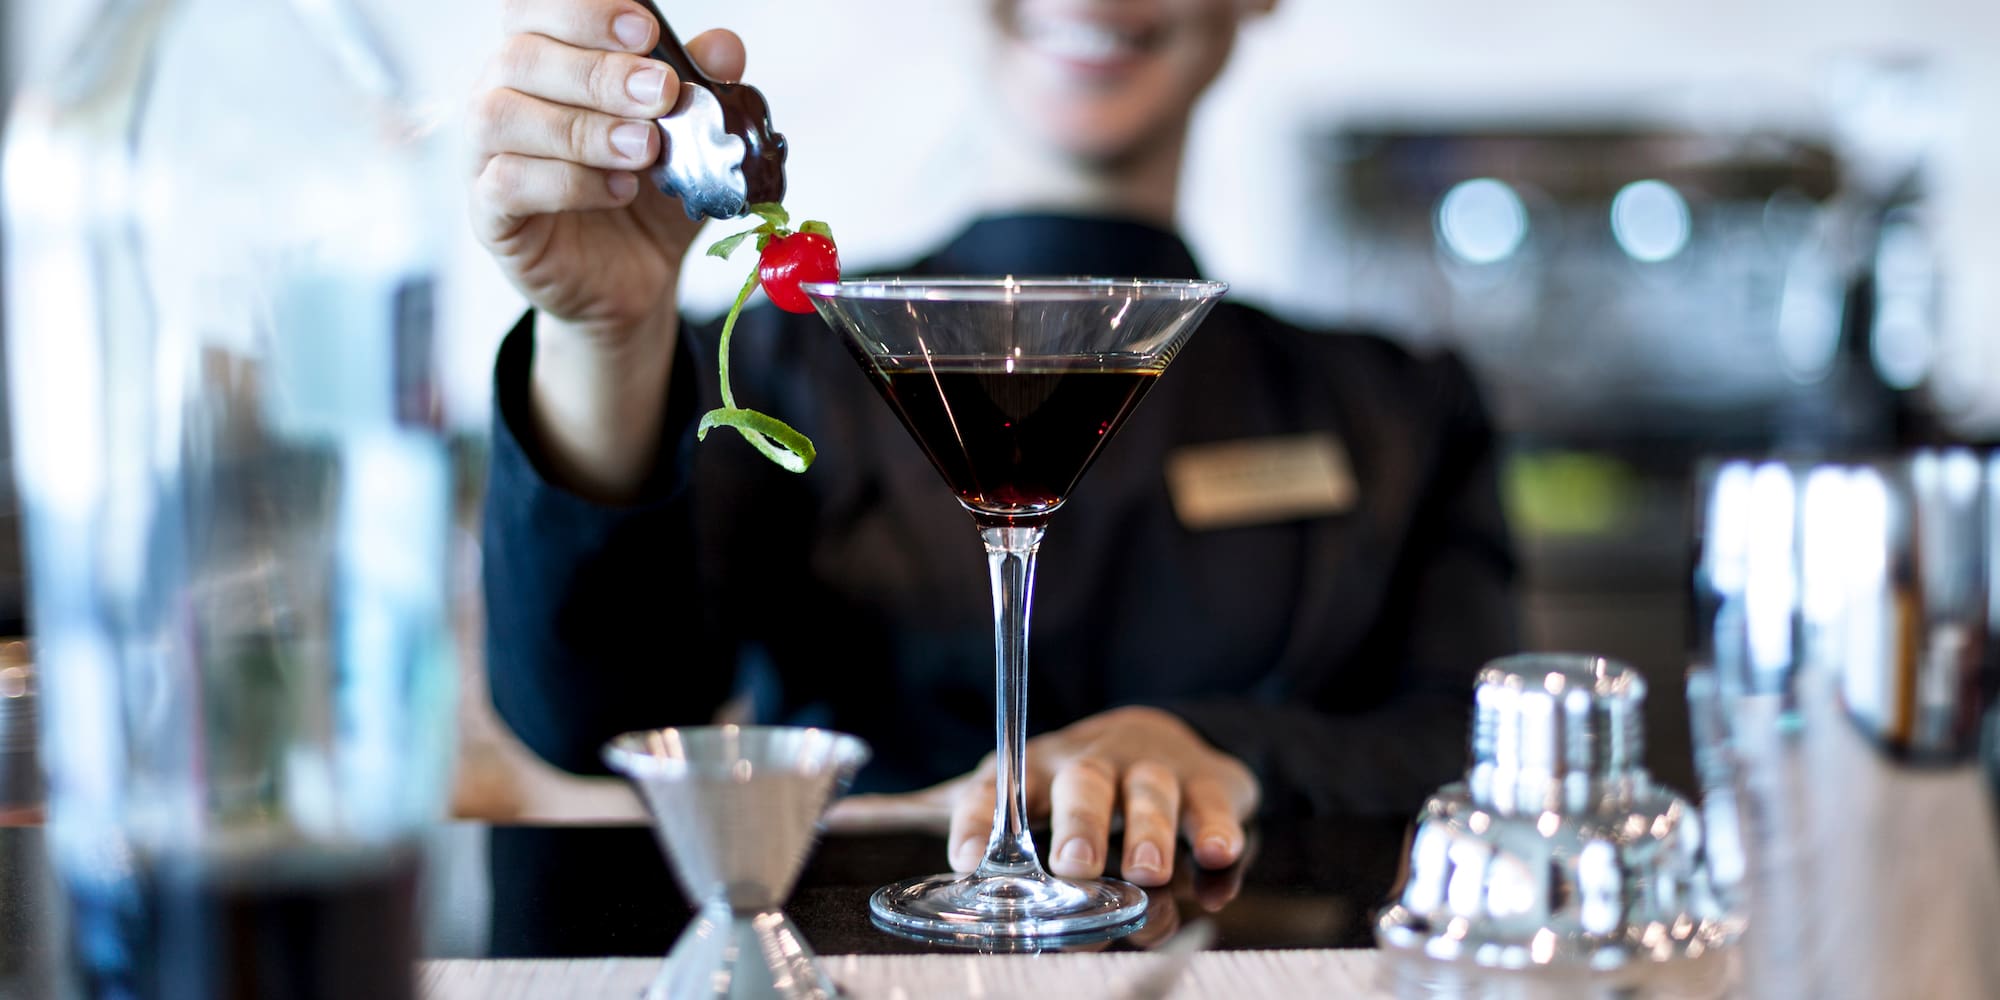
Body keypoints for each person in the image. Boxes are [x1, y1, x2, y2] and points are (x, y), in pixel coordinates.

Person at [468, 0, 1519, 889]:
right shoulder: (782, 364)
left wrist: (1234, 755)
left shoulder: (1396, 403)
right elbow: (598, 714)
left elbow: (1477, 748)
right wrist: (602, 336)